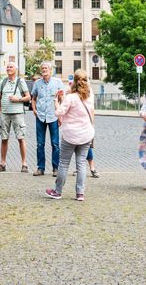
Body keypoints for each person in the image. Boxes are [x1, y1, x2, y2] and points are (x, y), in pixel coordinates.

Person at [45, 69, 95, 201]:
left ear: (73, 82)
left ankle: (58, 191)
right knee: (81, 164)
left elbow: (59, 113)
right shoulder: (90, 96)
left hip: (70, 136)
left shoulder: (70, 98)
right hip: (86, 134)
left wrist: (56, 101)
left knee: (64, 163)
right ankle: (80, 193)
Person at [0, 61, 30, 172]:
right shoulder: (3, 81)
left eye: (11, 67)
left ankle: (24, 164)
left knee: (21, 138)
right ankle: (2, 164)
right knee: (4, 138)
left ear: (16, 69)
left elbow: (28, 97)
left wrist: (18, 99)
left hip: (18, 114)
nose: (9, 68)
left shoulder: (21, 81)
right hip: (5, 114)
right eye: (8, 67)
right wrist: (0, 113)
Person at [30, 62, 64, 176]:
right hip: (40, 116)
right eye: (42, 68)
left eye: (46, 68)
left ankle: (56, 168)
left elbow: (62, 99)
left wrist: (60, 115)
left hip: (53, 116)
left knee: (55, 144)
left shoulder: (57, 82)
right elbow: (33, 98)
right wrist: (34, 109)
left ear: (50, 70)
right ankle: (40, 168)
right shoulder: (37, 83)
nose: (44, 70)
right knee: (40, 144)